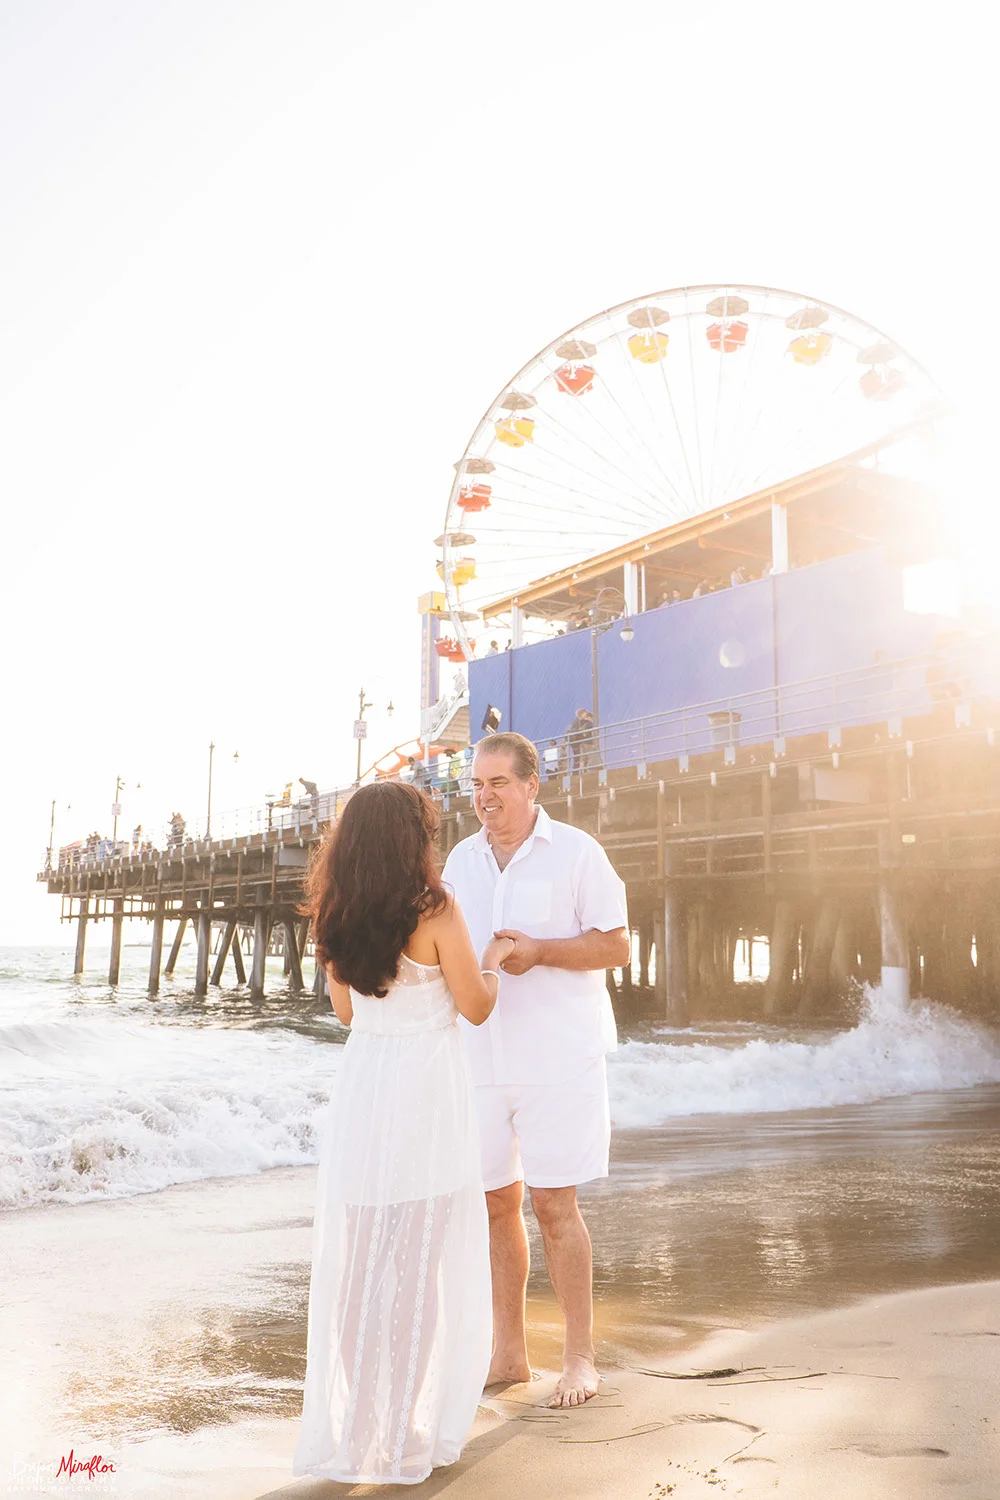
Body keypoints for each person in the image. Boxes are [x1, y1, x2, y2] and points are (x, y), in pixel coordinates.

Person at [292, 780, 515, 1485]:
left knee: (360, 1266)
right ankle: (400, 1426)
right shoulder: (436, 908)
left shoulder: (335, 912)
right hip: (424, 1099)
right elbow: (476, 1009)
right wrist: (494, 962)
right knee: (416, 1268)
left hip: (365, 1095)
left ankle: (359, 1422)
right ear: (410, 839)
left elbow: (349, 1015)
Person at [442, 733, 629, 1409]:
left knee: (554, 1205)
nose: (485, 798)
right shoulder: (459, 864)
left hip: (558, 1058)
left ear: (531, 786)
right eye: (476, 786)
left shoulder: (577, 851)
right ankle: (510, 1354)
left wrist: (542, 951)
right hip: (478, 1059)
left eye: (498, 784)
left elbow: (616, 945)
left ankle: (579, 1358)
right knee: (496, 1206)